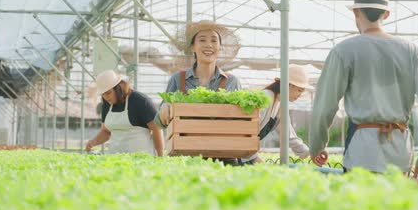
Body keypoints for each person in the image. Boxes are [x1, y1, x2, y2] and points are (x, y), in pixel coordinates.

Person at [308, 0, 418, 183]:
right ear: (386, 15)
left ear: (356, 12)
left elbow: (325, 105)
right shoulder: (412, 51)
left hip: (362, 153)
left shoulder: (343, 51)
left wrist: (317, 146)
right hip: (400, 153)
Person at [154, 21, 242, 163]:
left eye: (214, 41)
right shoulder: (178, 80)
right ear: (193, 47)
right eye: (202, 40)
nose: (209, 45)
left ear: (220, 48)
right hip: (184, 157)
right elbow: (159, 122)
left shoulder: (231, 82)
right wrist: (164, 109)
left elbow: (240, 122)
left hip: (225, 157)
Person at [241, 64, 311, 164]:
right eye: (299, 90)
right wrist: (254, 157)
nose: (300, 95)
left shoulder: (280, 104)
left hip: (246, 154)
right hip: (237, 153)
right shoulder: (266, 98)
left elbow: (288, 135)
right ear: (289, 85)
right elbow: (245, 133)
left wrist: (310, 153)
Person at [86, 70, 164, 156]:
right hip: (116, 159)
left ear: (118, 88)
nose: (106, 97)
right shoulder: (106, 104)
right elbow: (106, 131)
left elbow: (157, 129)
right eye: (103, 94)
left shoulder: (140, 101)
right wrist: (93, 142)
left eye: (108, 93)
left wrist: (160, 156)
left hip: (141, 160)